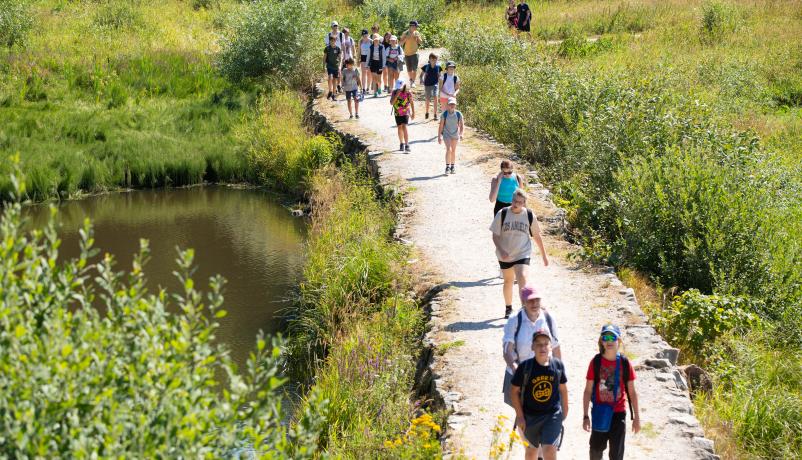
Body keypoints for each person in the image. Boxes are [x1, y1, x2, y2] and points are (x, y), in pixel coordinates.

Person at [583, 325, 641, 460]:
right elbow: (587, 391)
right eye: (605, 337)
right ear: (601, 341)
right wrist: (585, 416)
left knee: (616, 454)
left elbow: (632, 392)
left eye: (612, 337)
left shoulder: (625, 363)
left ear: (619, 341)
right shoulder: (596, 362)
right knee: (596, 452)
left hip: (618, 414)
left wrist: (637, 417)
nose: (609, 341)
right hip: (599, 412)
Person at [489, 189, 549, 318]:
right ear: (512, 200)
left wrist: (544, 255)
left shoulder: (529, 215)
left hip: (523, 253)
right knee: (508, 281)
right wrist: (501, 249)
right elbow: (495, 236)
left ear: (524, 203)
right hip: (505, 254)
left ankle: (524, 309)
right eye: (514, 201)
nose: (516, 204)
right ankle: (508, 308)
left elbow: (537, 236)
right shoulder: (502, 213)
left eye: (519, 202)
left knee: (522, 276)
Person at [510, 328, 568, 460]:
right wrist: (520, 416)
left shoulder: (557, 366)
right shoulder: (525, 367)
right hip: (530, 416)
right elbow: (514, 392)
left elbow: (563, 389)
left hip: (551, 415)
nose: (542, 347)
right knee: (531, 453)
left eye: (546, 343)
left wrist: (565, 411)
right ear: (532, 347)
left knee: (549, 451)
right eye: (538, 344)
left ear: (551, 347)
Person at [503, 285, 562, 406]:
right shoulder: (514, 319)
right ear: (523, 302)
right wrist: (515, 369)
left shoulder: (548, 318)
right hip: (519, 371)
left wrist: (559, 371)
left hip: (544, 372)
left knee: (544, 410)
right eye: (530, 300)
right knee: (523, 413)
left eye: (537, 300)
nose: (535, 303)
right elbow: (506, 350)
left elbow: (556, 347)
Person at [437, 97, 464, 175]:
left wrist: (461, 133)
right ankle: (447, 167)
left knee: (453, 150)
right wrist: (439, 136)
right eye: (450, 104)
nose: (452, 105)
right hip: (446, 134)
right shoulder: (444, 114)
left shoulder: (459, 114)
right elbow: (441, 126)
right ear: (447, 105)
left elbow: (462, 125)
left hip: (455, 134)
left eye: (453, 104)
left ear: (455, 105)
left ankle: (453, 166)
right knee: (449, 149)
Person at [390, 80, 415, 153]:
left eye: (400, 87)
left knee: (404, 126)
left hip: (405, 112)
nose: (399, 89)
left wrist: (413, 112)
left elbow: (411, 102)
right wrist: (397, 95)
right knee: (399, 127)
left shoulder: (408, 92)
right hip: (397, 113)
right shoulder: (394, 92)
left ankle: (407, 144)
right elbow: (391, 103)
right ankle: (401, 143)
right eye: (398, 87)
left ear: (404, 85)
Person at [400, 20, 423, 87]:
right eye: (416, 26)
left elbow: (421, 42)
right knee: (409, 69)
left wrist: (418, 38)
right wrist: (405, 39)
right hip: (406, 53)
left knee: (414, 69)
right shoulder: (405, 33)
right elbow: (400, 43)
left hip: (415, 53)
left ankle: (413, 82)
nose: (416, 28)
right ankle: (411, 80)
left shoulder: (417, 33)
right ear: (412, 26)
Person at [420, 53, 442, 120]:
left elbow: (440, 76)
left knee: (435, 97)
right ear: (429, 59)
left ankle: (435, 114)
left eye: (435, 59)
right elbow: (421, 75)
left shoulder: (438, 67)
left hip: (435, 84)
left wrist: (440, 84)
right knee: (427, 99)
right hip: (427, 85)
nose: (433, 60)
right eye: (432, 59)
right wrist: (421, 80)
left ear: (436, 59)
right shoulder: (426, 67)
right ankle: (427, 112)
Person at [325, 21, 344, 92]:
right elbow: (327, 46)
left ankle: (338, 86)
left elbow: (343, 45)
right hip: (331, 56)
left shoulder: (342, 34)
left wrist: (342, 56)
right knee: (331, 74)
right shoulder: (328, 35)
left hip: (339, 55)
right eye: (334, 26)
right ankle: (333, 89)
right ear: (331, 27)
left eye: (336, 26)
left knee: (339, 71)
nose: (335, 27)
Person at [324, 35, 342, 101]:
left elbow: (340, 58)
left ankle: (334, 94)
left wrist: (340, 66)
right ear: (330, 41)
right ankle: (330, 91)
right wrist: (323, 66)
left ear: (335, 41)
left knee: (335, 80)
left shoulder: (338, 48)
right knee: (330, 77)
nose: (333, 42)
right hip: (329, 66)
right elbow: (324, 58)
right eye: (331, 41)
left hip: (336, 66)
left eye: (334, 40)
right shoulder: (327, 48)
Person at [359, 29, 371, 95]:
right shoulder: (360, 41)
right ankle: (363, 88)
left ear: (368, 35)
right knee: (363, 73)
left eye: (366, 35)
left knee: (369, 73)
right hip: (363, 57)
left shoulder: (371, 41)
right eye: (363, 35)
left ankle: (368, 87)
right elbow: (359, 51)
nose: (364, 36)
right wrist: (358, 60)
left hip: (369, 58)